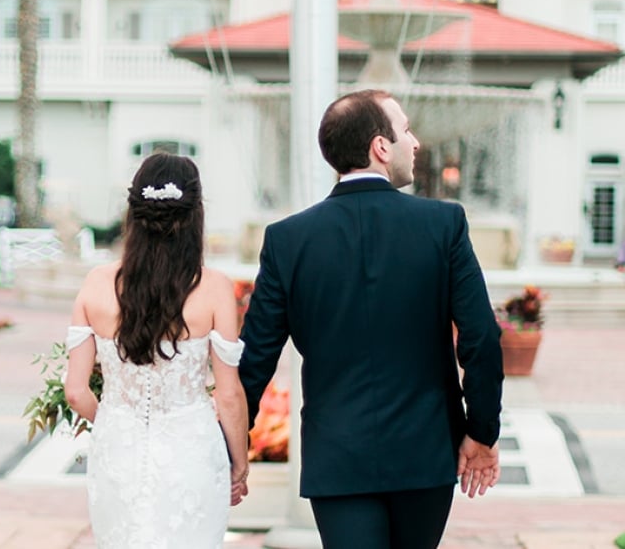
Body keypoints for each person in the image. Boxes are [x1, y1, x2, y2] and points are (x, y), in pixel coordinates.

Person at [238, 89, 504, 549]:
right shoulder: (444, 225)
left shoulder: (287, 240)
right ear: (380, 147)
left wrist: (233, 442)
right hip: (425, 454)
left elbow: (257, 356)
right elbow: (480, 339)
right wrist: (481, 432)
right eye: (405, 130)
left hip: (336, 458)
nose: (415, 141)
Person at [64, 153, 250, 548]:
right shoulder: (215, 287)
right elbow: (229, 394)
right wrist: (240, 464)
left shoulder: (96, 284)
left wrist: (115, 419)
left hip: (117, 449)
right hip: (193, 450)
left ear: (133, 214)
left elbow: (76, 392)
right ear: (196, 214)